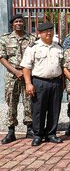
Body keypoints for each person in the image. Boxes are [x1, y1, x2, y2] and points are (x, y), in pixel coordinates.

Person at [20, 22, 64, 146]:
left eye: (50, 30)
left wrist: (63, 83)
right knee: (38, 110)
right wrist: (28, 83)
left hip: (56, 82)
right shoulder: (33, 47)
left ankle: (51, 134)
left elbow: (62, 66)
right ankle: (38, 135)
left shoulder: (58, 47)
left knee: (54, 109)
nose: (49, 33)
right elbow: (26, 67)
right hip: (39, 82)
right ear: (40, 33)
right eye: (46, 31)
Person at [0, 14, 37, 144]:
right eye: (16, 21)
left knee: (29, 101)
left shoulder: (32, 39)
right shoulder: (5, 39)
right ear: (12, 24)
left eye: (21, 21)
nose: (19, 23)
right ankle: (11, 131)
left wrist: (27, 72)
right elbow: (2, 57)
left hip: (28, 75)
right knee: (11, 102)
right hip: (12, 76)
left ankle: (30, 128)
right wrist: (15, 71)